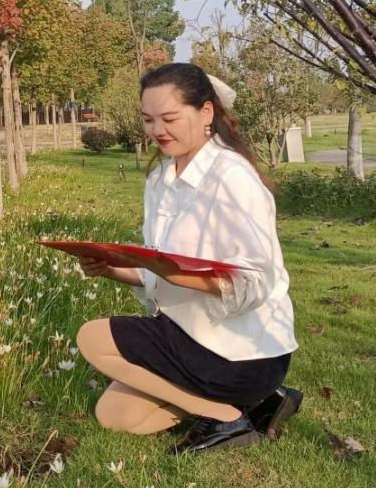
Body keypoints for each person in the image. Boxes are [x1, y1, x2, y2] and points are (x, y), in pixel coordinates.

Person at [75, 63, 301, 454]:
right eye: (148, 119)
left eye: (170, 118)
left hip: (241, 351)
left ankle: (227, 418)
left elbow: (255, 283)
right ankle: (258, 405)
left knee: (92, 337)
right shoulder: (160, 180)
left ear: (206, 112)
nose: (157, 130)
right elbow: (159, 274)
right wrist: (110, 269)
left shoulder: (232, 178)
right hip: (187, 334)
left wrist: (173, 274)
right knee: (117, 415)